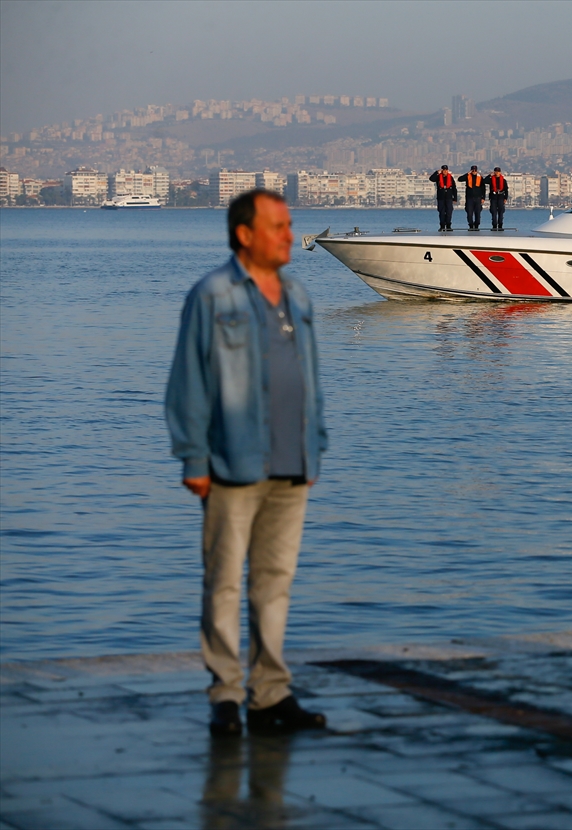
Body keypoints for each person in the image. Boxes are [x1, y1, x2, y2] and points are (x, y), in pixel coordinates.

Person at [166, 189, 329, 738]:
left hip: (292, 461)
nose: (289, 235)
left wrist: (316, 446)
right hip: (231, 462)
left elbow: (310, 380)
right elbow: (188, 382)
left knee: (275, 581)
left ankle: (270, 694)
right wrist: (194, 457)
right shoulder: (212, 295)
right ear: (245, 234)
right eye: (278, 226)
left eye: (289, 225)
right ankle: (225, 697)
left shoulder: (298, 295)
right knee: (223, 585)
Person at [430, 165, 457, 231]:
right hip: (441, 198)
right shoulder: (438, 177)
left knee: (449, 212)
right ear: (442, 170)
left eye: (446, 170)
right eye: (444, 170)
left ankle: (448, 225)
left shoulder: (450, 178)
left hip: (449, 198)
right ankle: (442, 226)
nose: (445, 171)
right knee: (441, 212)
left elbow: (454, 188)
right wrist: (436, 172)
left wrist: (455, 198)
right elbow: (431, 179)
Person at [458, 165, 486, 231]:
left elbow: (483, 188)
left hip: (478, 198)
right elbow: (459, 179)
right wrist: (467, 173)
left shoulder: (480, 177)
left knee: (477, 213)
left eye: (475, 170)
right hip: (469, 198)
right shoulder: (467, 176)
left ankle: (476, 225)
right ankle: (470, 225)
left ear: (477, 170)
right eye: (472, 170)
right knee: (469, 213)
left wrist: (483, 198)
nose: (474, 172)